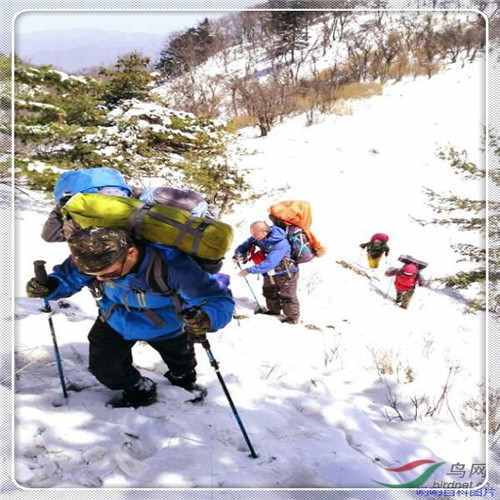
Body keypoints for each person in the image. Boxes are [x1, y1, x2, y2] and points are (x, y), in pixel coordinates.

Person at [26, 227, 235, 408]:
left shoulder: (172, 264)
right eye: (94, 275)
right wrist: (51, 286)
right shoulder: (92, 255)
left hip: (166, 325)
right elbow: (69, 278)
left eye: (108, 274)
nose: (99, 279)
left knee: (182, 363)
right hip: (114, 319)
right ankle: (138, 388)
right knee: (105, 368)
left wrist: (206, 318)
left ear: (132, 253)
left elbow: (216, 298)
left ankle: (183, 379)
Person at [233, 221, 299, 324]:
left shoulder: (280, 243)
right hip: (270, 272)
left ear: (264, 232)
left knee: (287, 296)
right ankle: (273, 311)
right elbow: (246, 244)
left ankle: (292, 318)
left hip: (286, 272)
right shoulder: (259, 237)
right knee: (269, 291)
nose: (253, 236)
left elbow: (270, 263)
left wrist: (249, 270)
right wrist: (238, 253)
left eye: (255, 234)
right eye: (252, 234)